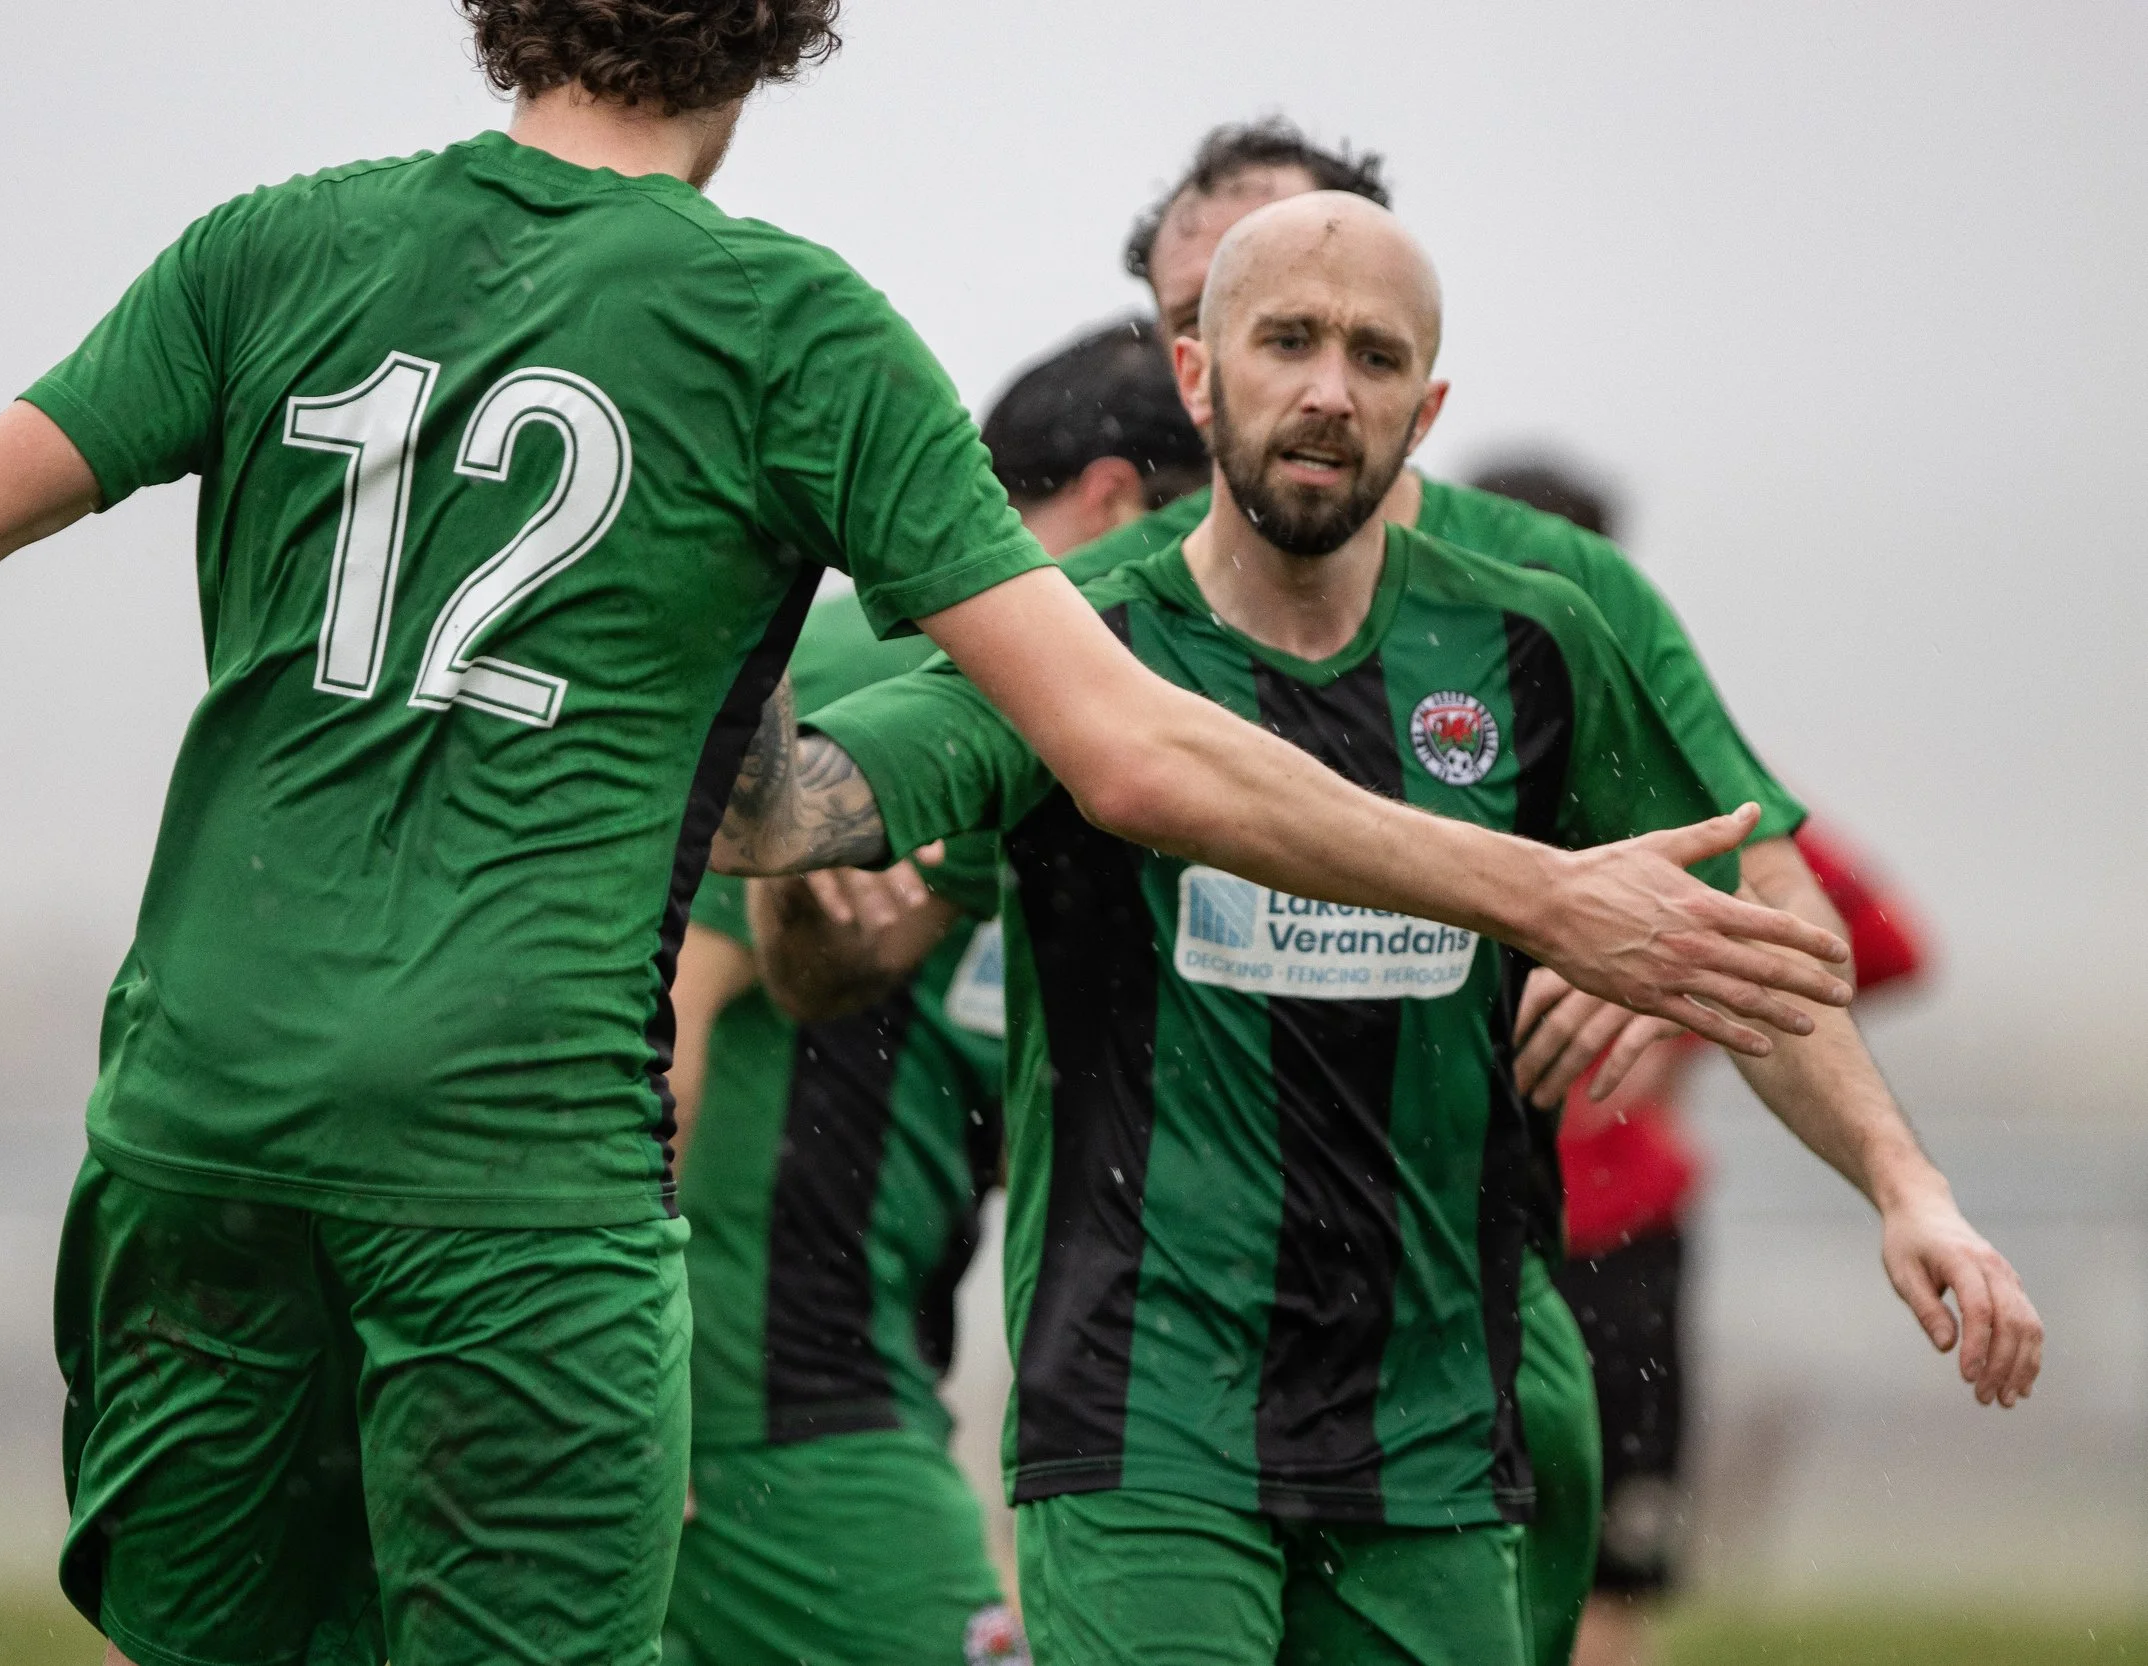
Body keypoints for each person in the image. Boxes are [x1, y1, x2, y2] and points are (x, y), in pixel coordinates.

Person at [0, 3, 1858, 1657]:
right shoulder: (787, 328)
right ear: (772, 41)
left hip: (189, 1110)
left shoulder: (268, 247)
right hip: (513, 1167)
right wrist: (1535, 885)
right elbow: (1131, 753)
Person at [715, 192, 2043, 1666]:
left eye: (1376, 354)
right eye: (1287, 339)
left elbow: (1750, 950)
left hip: (1433, 1429)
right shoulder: (1075, 647)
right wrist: (747, 592)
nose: (1330, 388)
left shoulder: (1534, 640)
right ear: (1198, 373)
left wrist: (1906, 1185)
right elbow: (794, 835)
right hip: (1144, 1415)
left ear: (1430, 406)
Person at [659, 321, 1205, 1666]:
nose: (1218, 609)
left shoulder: (1098, 765)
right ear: (1119, 507)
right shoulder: (879, 687)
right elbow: (649, 1025)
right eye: (1201, 549)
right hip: (762, 1391)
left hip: (853, 1378)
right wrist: (624, 1391)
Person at [1472, 459, 1938, 1666]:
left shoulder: (1674, 787)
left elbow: (1872, 944)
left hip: (1616, 1236)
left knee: (1610, 1591)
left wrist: (1684, 1011)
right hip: (1452, 1227)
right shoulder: (1431, 765)